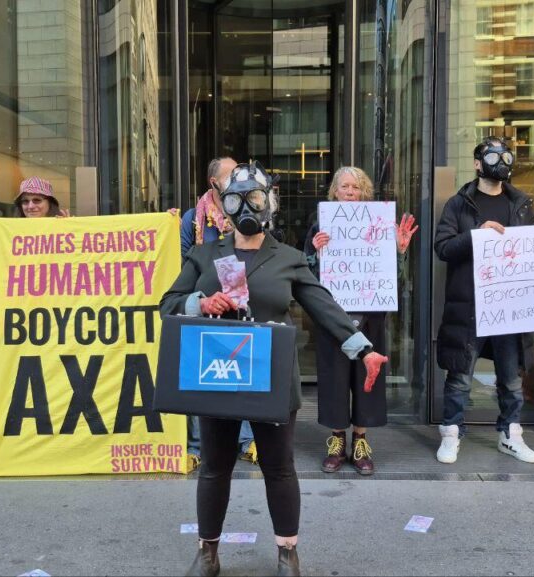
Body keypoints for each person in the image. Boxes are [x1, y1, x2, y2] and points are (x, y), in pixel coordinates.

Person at [161, 162, 388, 577]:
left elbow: (324, 307)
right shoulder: (205, 254)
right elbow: (168, 303)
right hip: (219, 374)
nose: (246, 207)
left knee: (279, 466)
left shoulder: (288, 258)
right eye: (236, 200)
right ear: (225, 205)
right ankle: (208, 552)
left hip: (271, 377)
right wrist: (200, 302)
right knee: (215, 466)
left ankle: (287, 552)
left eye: (254, 198)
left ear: (269, 202)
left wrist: (364, 350)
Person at [433, 136, 534, 464]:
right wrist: (477, 234)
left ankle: (510, 434)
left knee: (511, 378)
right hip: (469, 306)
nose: (500, 162)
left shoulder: (520, 203)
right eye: (492, 156)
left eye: (505, 156)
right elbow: (443, 247)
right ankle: (451, 434)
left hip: (508, 307)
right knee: (460, 376)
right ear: (477, 163)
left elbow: (531, 252)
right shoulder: (459, 204)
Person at [304, 166, 418, 475]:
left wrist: (400, 251)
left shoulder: (380, 225)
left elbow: (395, 278)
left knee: (368, 377)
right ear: (335, 191)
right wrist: (315, 253)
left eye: (356, 187)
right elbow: (307, 277)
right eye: (344, 186)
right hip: (334, 317)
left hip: (370, 315)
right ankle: (337, 440)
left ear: (364, 192)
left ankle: (361, 440)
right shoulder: (320, 225)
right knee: (335, 378)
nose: (350, 192)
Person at [179, 157, 257, 470]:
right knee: (203, 376)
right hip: (207, 307)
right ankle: (197, 445)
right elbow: (183, 259)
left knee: (242, 373)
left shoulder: (251, 210)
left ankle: (247, 440)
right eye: (230, 175)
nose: (238, 178)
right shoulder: (192, 219)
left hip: (240, 307)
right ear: (214, 183)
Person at [0, 176, 69, 237]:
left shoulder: (63, 228)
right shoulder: (12, 233)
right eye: (25, 201)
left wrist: (69, 232)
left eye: (37, 200)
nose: (30, 206)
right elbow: (2, 259)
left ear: (50, 203)